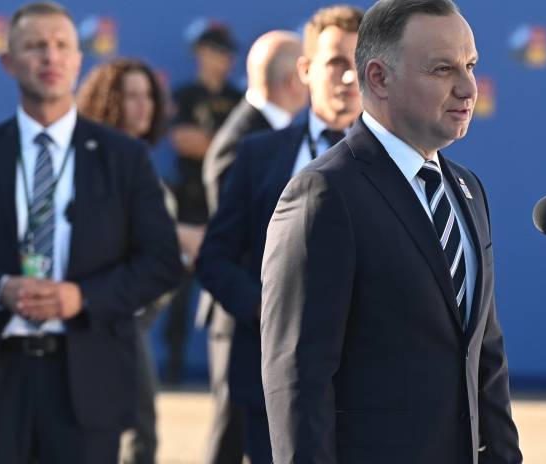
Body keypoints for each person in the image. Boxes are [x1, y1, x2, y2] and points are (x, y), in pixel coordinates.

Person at [0, 3, 181, 463]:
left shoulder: (123, 158)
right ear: (8, 62)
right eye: (35, 46)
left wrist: (83, 297)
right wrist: (0, 289)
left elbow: (161, 262)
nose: (50, 56)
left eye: (60, 46)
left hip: (88, 380)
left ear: (78, 60)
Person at [259, 0, 523, 463]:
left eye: (470, 65)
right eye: (442, 69)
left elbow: (485, 357)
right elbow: (299, 381)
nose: (468, 87)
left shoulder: (468, 190)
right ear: (379, 78)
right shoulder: (324, 193)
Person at [196, 6, 364, 463]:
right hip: (271, 380)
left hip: (367, 389)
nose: (350, 78)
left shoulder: (400, 164)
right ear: (305, 70)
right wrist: (265, 308)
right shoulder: (259, 154)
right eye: (336, 63)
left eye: (361, 63)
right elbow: (215, 257)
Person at [197, 29, 306, 464]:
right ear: (295, 79)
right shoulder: (246, 139)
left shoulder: (264, 132)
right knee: (235, 433)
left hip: (258, 316)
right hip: (245, 317)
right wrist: (266, 304)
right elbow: (231, 237)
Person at [76, 57, 176, 464]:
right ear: (107, 100)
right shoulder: (89, 159)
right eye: (131, 96)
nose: (143, 106)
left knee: (141, 430)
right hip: (99, 313)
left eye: (148, 96)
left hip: (137, 314)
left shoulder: (141, 160)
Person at [166, 21, 243, 384]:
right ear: (200, 53)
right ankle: (173, 370)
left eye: (227, 52)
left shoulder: (239, 97)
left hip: (228, 207)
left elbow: (245, 148)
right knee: (179, 295)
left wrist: (210, 142)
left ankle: (230, 371)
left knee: (232, 290)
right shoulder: (186, 95)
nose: (223, 59)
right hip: (190, 206)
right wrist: (226, 144)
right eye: (216, 51)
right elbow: (183, 141)